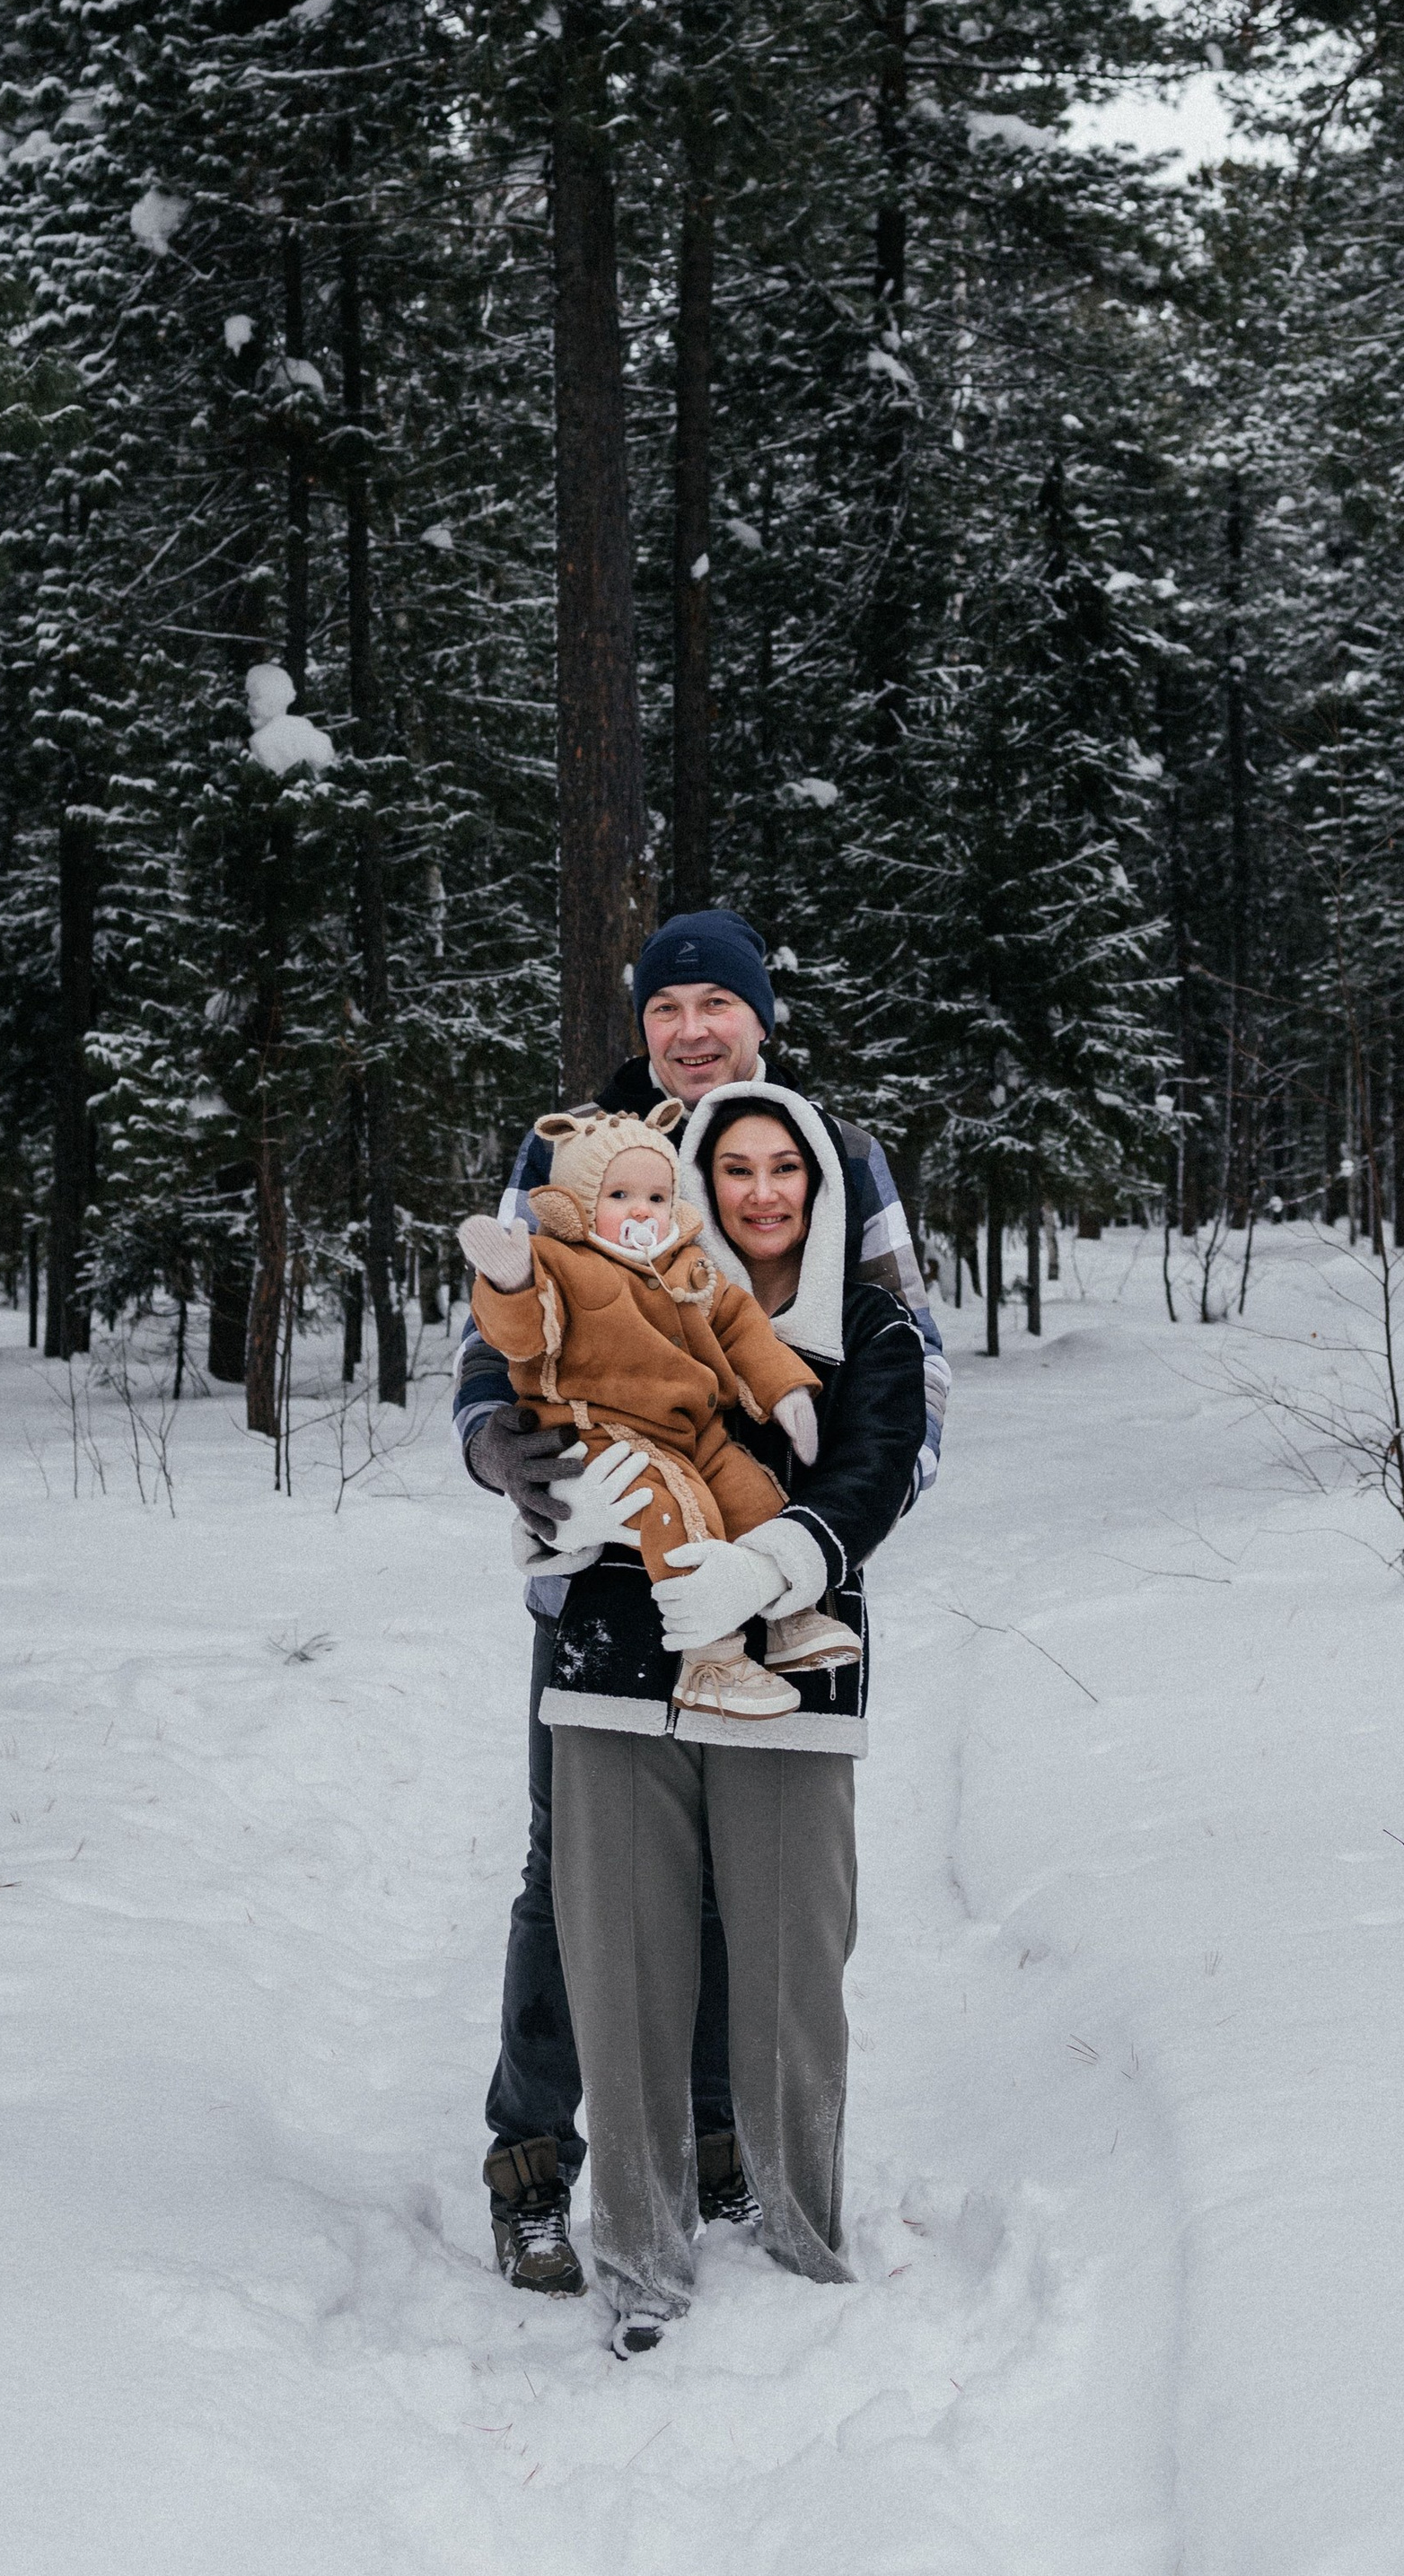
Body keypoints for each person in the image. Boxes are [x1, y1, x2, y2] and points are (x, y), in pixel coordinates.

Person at [460, 905, 948, 2297]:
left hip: (772, 1545)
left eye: (715, 1007)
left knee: (752, 1879)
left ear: (760, 1019)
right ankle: (536, 2160)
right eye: (665, 1010)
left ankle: (718, 2138)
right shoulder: (568, 1150)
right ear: (640, 1029)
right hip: (601, 1579)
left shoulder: (828, 1154)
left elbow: (904, 1361)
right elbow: (498, 1353)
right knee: (578, 1879)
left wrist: (816, 1529)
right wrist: (512, 1464)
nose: (691, 1030)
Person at [539, 1083, 928, 2353]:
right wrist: (551, 1504)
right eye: (736, 1168)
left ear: (817, 1185)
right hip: (614, 1662)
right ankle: (644, 2263)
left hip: (795, 1678)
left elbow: (877, 1465)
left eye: (787, 1169)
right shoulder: (603, 1283)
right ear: (694, 1183)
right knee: (624, 1971)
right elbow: (518, 1412)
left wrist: (780, 1565)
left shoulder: (866, 1320)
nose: (763, 1192)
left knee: (788, 1975)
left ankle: (805, 2248)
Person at [456, 1103, 861, 1719]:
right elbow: (521, 1337)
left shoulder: (688, 1265)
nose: (642, 1210)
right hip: (601, 1435)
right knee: (675, 1512)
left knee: (754, 1495)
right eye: (620, 1194)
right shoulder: (561, 1264)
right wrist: (511, 1285)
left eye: (656, 1195)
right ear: (580, 1202)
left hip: (692, 1432)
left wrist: (784, 1389)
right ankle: (711, 1657)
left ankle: (790, 1618)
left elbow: (741, 1325)